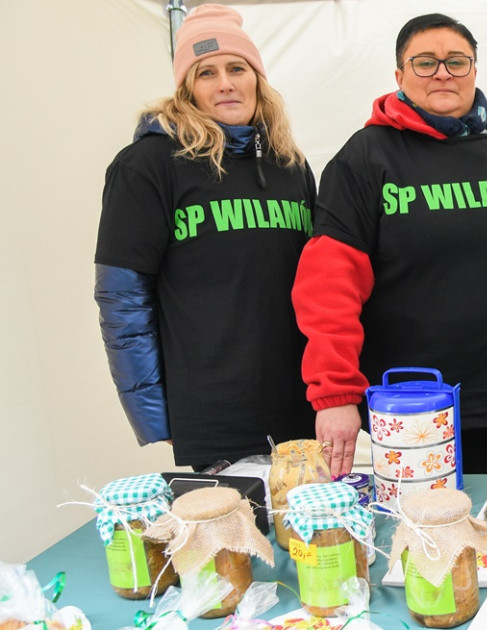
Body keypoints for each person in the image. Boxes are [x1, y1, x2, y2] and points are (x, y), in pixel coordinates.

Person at [292, 13, 487, 477]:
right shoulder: (366, 158)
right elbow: (328, 288)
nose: (443, 73)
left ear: (474, 70)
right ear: (399, 75)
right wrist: (335, 394)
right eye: (425, 62)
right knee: (420, 522)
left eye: (456, 61)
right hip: (409, 407)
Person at [95, 4, 316, 470]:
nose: (225, 83)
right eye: (206, 73)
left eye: (237, 68)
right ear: (187, 89)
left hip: (300, 410)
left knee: (308, 520)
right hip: (215, 416)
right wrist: (154, 416)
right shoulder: (148, 166)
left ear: (257, 78)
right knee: (237, 520)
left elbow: (319, 289)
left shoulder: (290, 165)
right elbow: (122, 300)